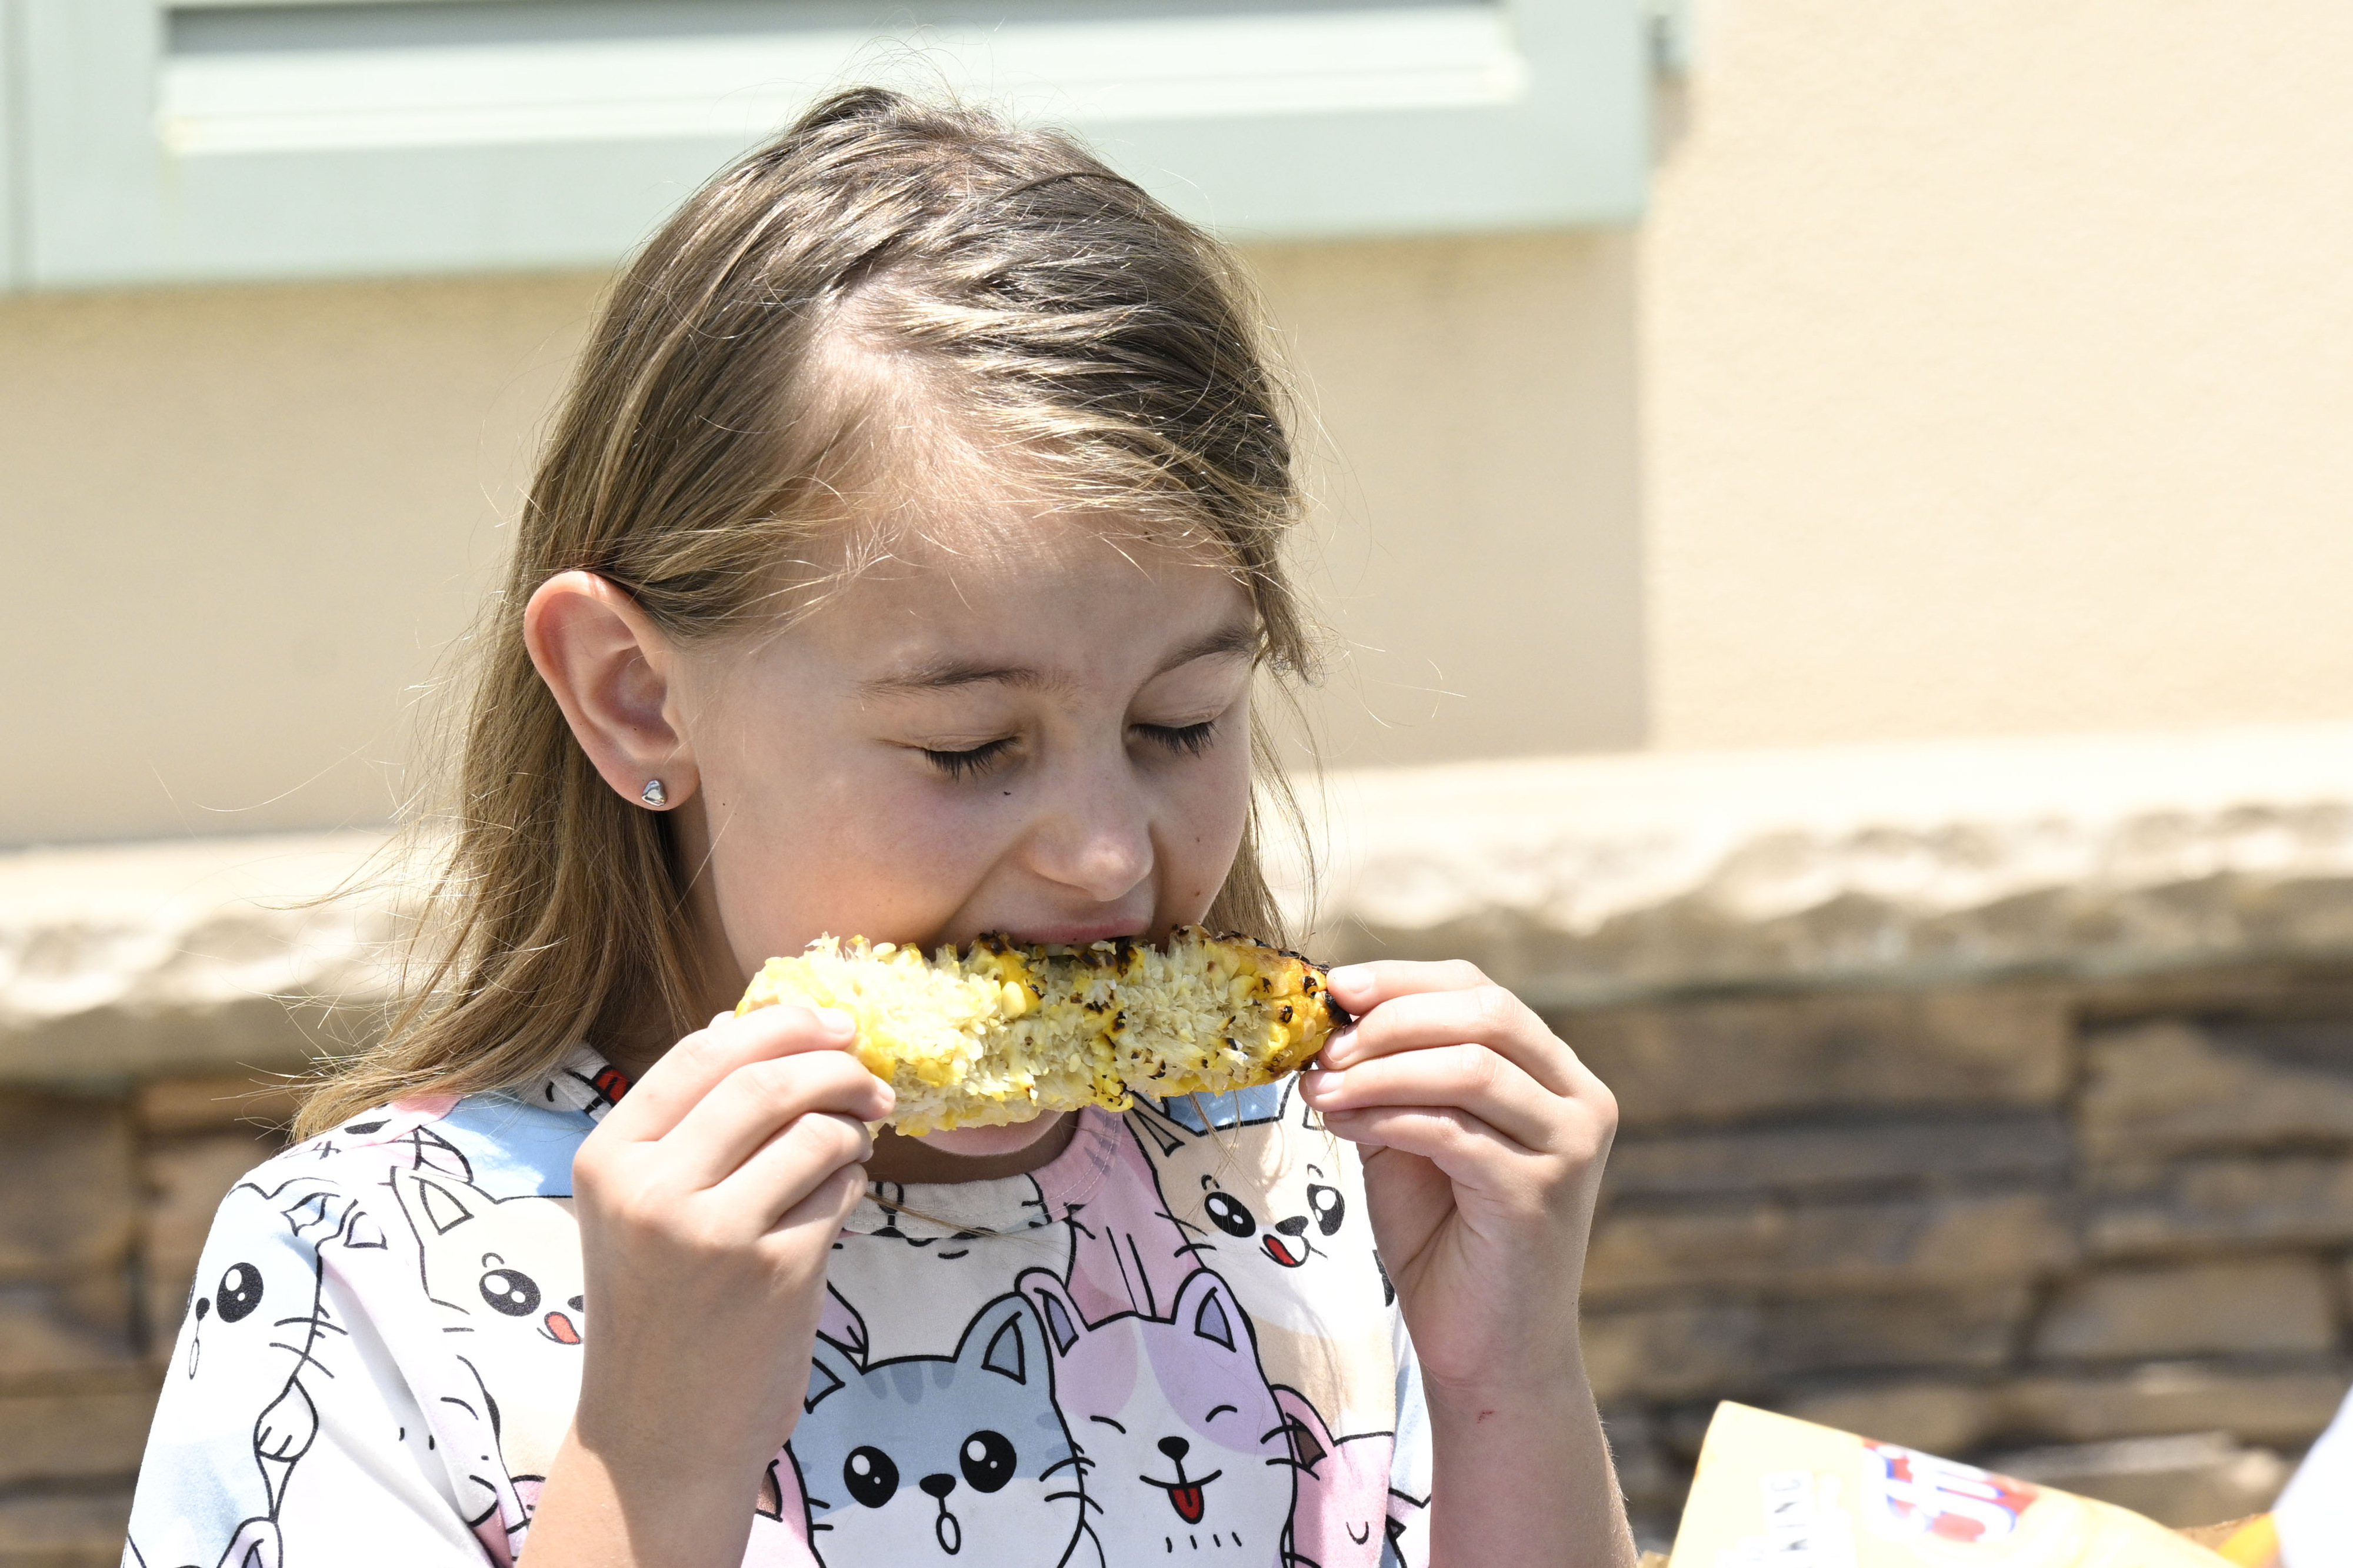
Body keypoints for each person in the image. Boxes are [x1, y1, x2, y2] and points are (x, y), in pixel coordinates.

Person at [122, 89, 1631, 1568]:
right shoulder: (370, 1278)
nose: (1106, 854)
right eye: (969, 747)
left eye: (1179, 720)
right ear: (636, 696)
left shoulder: (1322, 1201)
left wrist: (1512, 1381)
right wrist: (653, 1462)